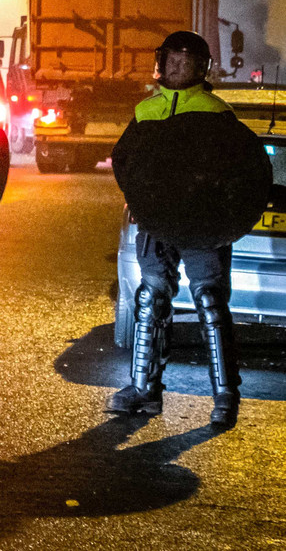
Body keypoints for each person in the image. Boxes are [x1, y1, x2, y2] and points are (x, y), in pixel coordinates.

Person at [107, 30, 241, 429]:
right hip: (157, 222)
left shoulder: (216, 113)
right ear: (161, 63)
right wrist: (138, 199)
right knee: (150, 298)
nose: (178, 68)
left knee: (211, 302)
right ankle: (144, 391)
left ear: (202, 69)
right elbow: (124, 160)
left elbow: (238, 172)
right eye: (172, 61)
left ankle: (225, 396)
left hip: (202, 224)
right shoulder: (147, 111)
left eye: (186, 62)